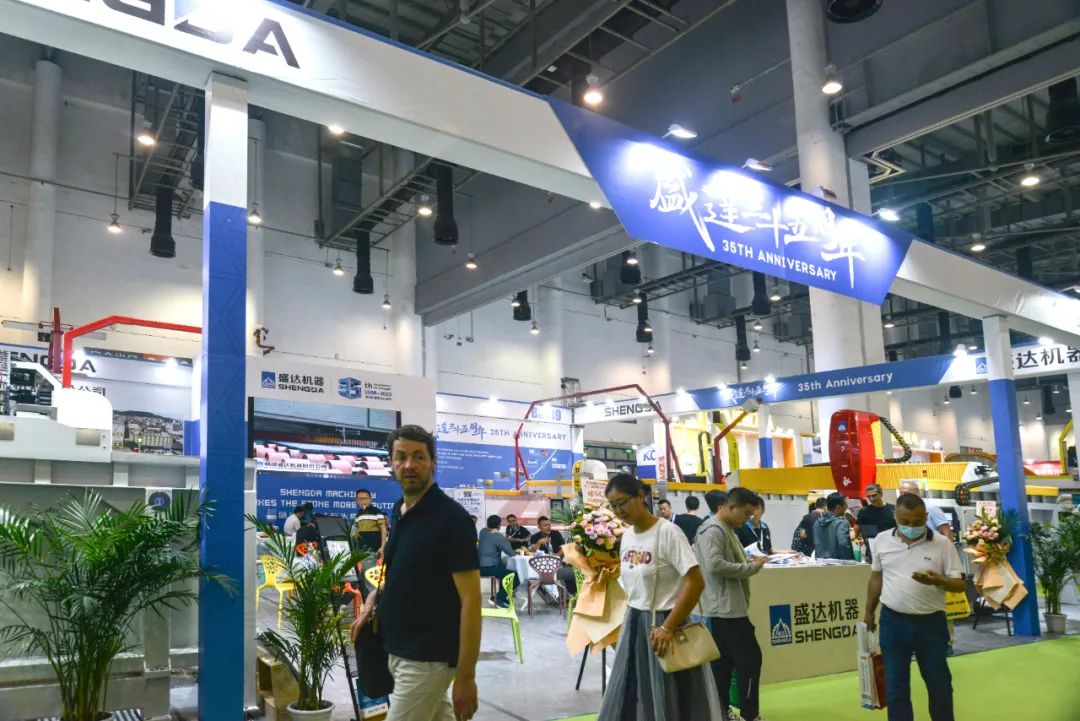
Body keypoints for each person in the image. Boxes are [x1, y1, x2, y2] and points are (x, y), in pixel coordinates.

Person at [351, 425, 480, 721]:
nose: (409, 464)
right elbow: (405, 576)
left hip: (428, 657)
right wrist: (373, 599)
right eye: (401, 457)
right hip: (397, 648)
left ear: (433, 462)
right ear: (391, 463)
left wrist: (466, 676)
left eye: (419, 457)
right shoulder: (400, 511)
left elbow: (472, 600)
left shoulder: (452, 520)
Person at [597, 474, 722, 720]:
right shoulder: (627, 536)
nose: (619, 510)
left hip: (666, 624)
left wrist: (668, 627)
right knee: (636, 693)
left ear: (640, 496)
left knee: (671, 697)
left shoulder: (668, 532)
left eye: (622, 502)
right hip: (634, 624)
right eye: (613, 506)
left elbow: (696, 582)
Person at [864, 493, 965, 721]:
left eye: (918, 521)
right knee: (895, 686)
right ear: (895, 516)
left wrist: (939, 581)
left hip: (931, 624)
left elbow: (959, 584)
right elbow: (876, 577)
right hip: (893, 622)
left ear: (926, 517)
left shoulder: (943, 544)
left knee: (939, 684)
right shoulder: (881, 540)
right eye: (905, 521)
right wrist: (869, 612)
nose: (911, 526)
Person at [696, 488, 769, 721]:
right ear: (730, 507)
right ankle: (749, 714)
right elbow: (715, 565)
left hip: (726, 607)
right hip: (726, 609)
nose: (747, 519)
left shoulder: (725, 528)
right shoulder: (713, 530)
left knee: (724, 664)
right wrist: (750, 567)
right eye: (745, 514)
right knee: (750, 661)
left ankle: (721, 711)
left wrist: (745, 562)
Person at [478, 514, 518, 608]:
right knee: (515, 576)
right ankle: (498, 598)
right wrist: (505, 539)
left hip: (478, 567)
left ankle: (502, 598)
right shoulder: (499, 537)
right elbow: (511, 553)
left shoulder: (482, 532)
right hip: (489, 568)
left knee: (504, 570)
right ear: (499, 525)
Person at [857, 484, 895, 562]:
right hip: (872, 553)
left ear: (881, 494)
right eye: (869, 496)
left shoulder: (894, 510)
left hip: (892, 551)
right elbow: (857, 529)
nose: (871, 499)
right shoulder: (864, 512)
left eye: (874, 495)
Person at [813, 492, 855, 560]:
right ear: (838, 507)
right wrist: (849, 561)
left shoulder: (817, 522)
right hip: (838, 563)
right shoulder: (841, 523)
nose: (846, 508)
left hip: (820, 562)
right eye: (845, 505)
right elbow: (843, 543)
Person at [352, 488, 389, 558]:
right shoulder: (358, 514)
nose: (363, 501)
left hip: (373, 550)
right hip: (360, 550)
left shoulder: (376, 511)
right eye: (360, 499)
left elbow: (383, 529)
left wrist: (382, 547)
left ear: (370, 499)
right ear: (357, 500)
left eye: (366, 498)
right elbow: (356, 532)